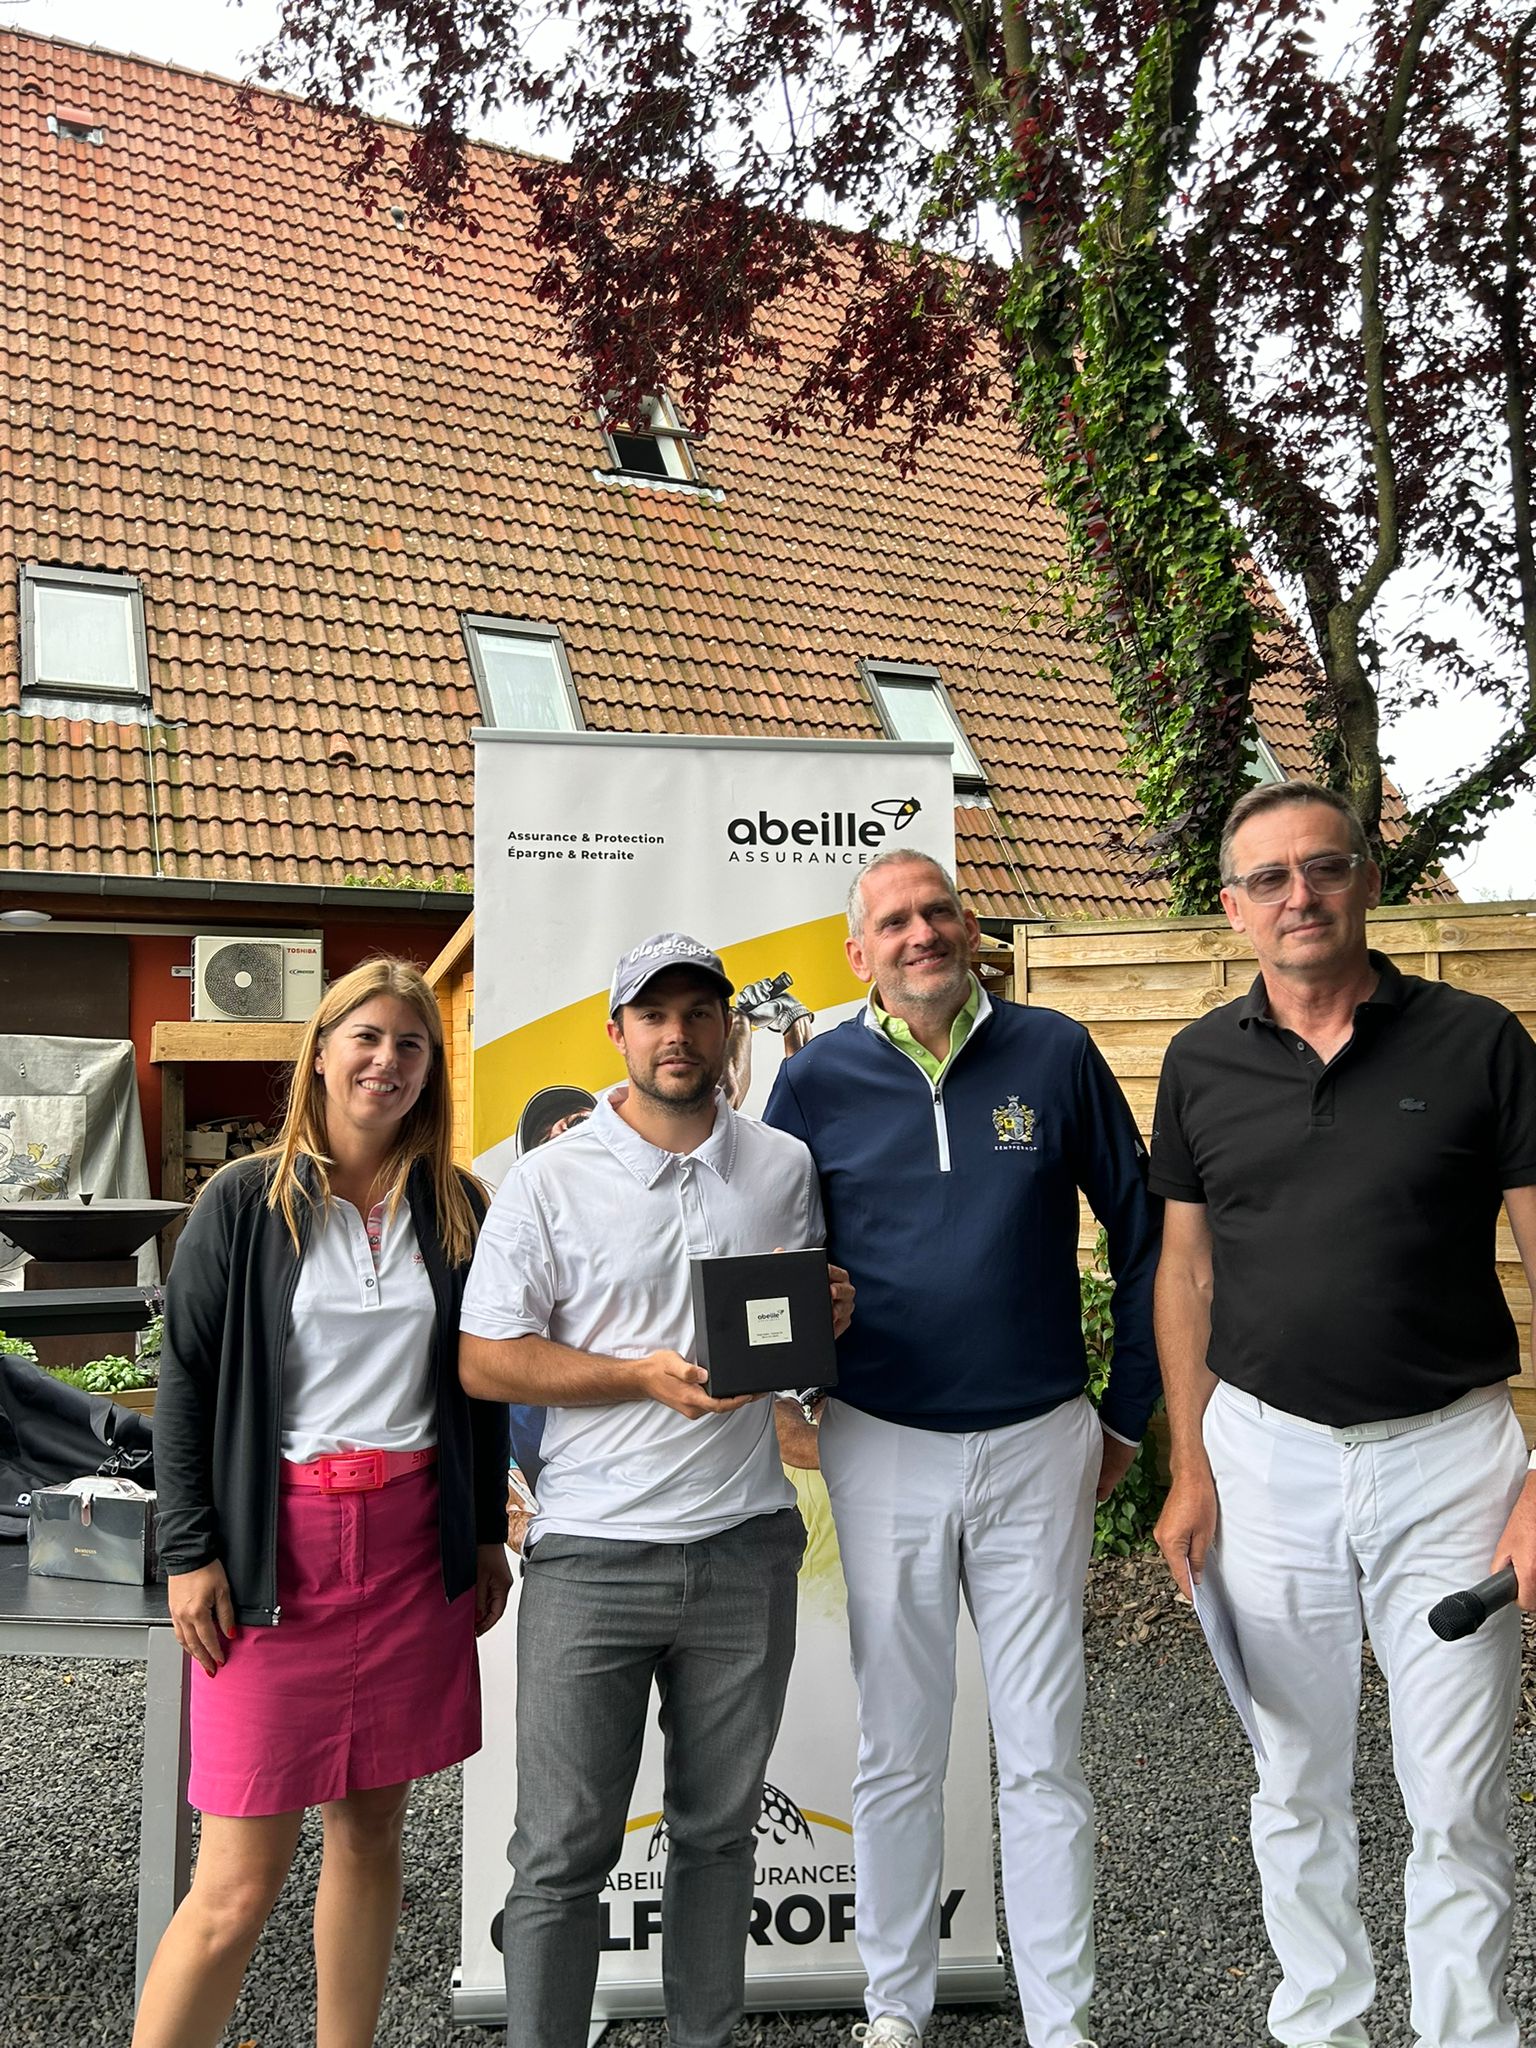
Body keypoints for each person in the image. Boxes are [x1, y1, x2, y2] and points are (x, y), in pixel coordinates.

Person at [1150, 780, 1536, 2048]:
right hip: (1265, 1462)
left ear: (1368, 878)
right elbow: (1186, 1274)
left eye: (1323, 866)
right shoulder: (1199, 1062)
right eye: (1268, 877)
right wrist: (1192, 1467)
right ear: (1232, 907)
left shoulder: (1480, 1040)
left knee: (1458, 1799)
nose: (1299, 895)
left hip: (1453, 1460)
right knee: (1294, 1783)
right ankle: (1322, 2025)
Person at [762, 849, 1158, 2048]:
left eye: (938, 910)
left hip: (1040, 1436)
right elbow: (767, 1257)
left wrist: (1127, 1412)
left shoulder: (1055, 1051)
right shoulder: (814, 1078)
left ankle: (1062, 2021)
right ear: (858, 953)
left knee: (1044, 1746)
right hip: (880, 1441)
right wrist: (785, 1393)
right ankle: (895, 2006)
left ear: (970, 922)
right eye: (894, 920)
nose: (921, 932)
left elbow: (1143, 1230)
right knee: (898, 1746)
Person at [458, 931, 853, 2048]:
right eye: (654, 1014)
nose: (678, 1034)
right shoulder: (548, 1179)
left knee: (719, 1836)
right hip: (593, 1558)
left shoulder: (781, 1165)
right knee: (560, 1853)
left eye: (698, 1012)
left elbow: (785, 1336)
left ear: (727, 1028)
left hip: (745, 1548)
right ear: (617, 1031)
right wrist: (635, 1376)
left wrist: (826, 1315)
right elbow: (485, 1359)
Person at [135, 958, 512, 2048]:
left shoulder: (459, 1205)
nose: (387, 1061)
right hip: (276, 1553)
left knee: (372, 1830)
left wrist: (483, 1531)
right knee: (237, 1880)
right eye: (368, 1037)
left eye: (411, 1045)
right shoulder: (243, 1201)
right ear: (322, 1053)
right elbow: (185, 1382)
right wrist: (190, 1550)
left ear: (431, 1070)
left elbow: (479, 1383)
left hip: (410, 1549)